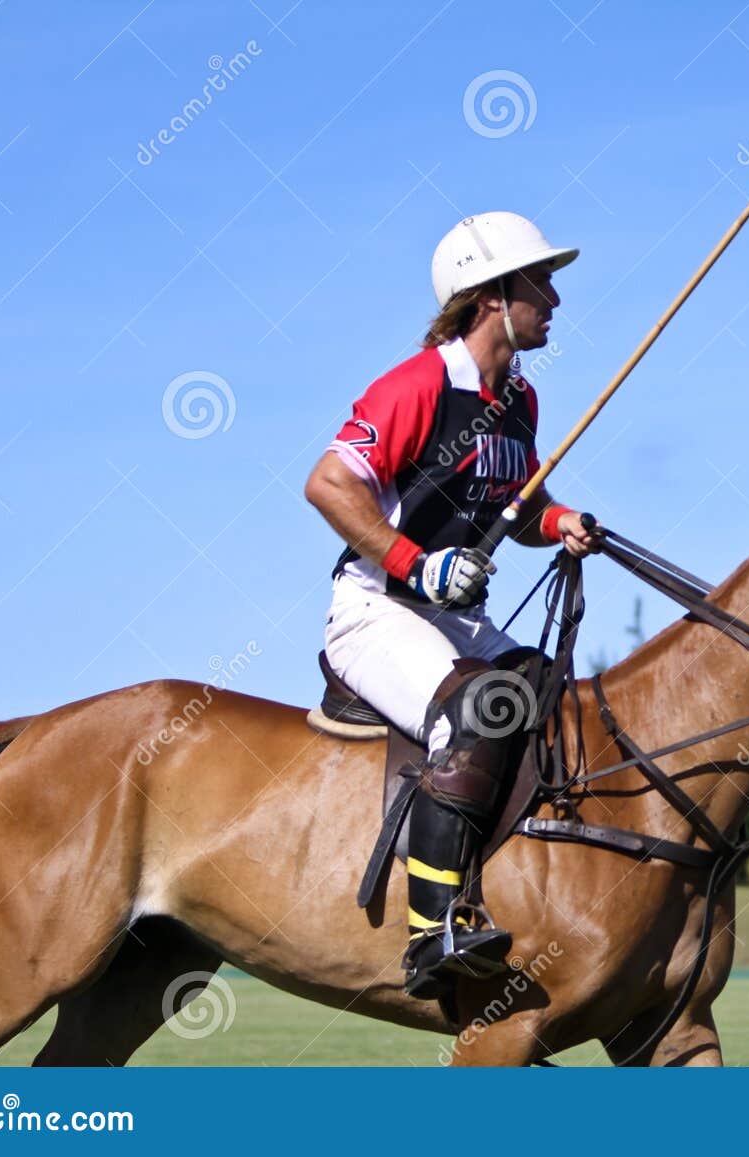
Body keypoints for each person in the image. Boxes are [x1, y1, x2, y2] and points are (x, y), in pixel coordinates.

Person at [304, 211, 601, 998]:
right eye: (541, 283)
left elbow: (518, 505)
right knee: (480, 707)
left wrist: (558, 521)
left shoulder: (520, 403)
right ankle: (432, 929)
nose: (555, 300)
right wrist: (417, 563)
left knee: (550, 694)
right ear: (491, 296)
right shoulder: (418, 384)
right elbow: (328, 484)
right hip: (377, 605)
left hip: (449, 614)